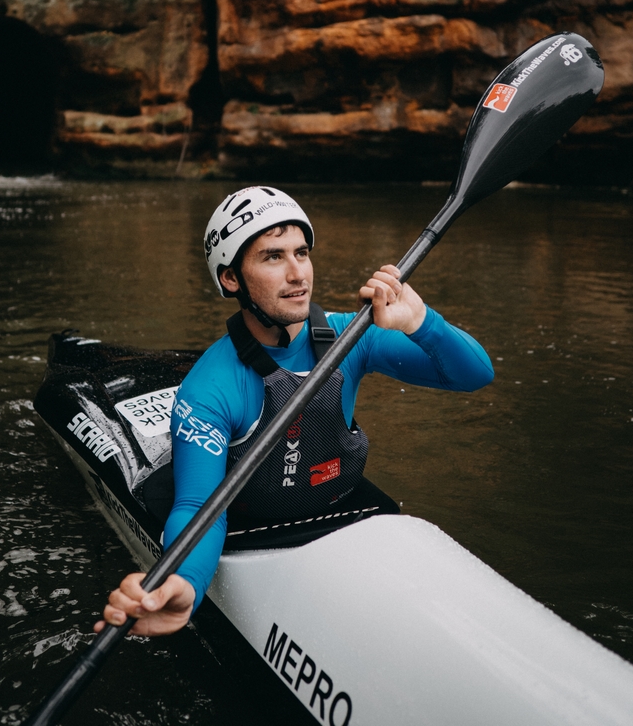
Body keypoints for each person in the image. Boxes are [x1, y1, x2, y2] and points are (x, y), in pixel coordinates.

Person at [94, 186, 493, 638]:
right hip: (253, 527)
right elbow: (199, 507)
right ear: (230, 280)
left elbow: (475, 374)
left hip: (338, 514)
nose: (297, 273)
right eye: (272, 257)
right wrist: (185, 584)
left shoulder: (353, 337)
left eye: (302, 252)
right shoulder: (209, 389)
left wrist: (421, 323)